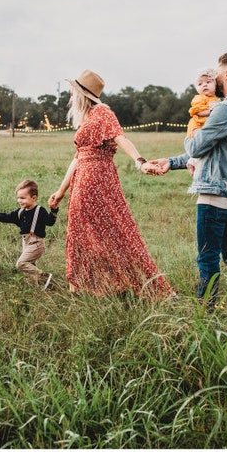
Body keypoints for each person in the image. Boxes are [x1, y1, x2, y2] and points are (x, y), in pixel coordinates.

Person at [146, 51, 227, 319]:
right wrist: (171, 162)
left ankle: (204, 317)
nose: (215, 77)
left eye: (218, 72)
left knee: (207, 259)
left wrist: (191, 133)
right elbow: (213, 151)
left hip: (214, 198)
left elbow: (196, 145)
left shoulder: (225, 109)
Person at [47, 70, 176, 298]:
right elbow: (78, 157)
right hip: (83, 179)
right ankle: (88, 286)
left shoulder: (103, 112)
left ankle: (123, 284)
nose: (70, 95)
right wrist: (61, 190)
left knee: (113, 231)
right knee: (81, 232)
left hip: (97, 179)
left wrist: (140, 162)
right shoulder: (87, 118)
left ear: (82, 94)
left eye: (73, 91)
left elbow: (121, 137)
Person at [0, 179, 58, 289]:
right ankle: (35, 289)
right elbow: (6, 217)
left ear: (34, 198)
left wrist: (54, 210)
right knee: (30, 266)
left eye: (23, 198)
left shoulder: (39, 211)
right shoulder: (20, 212)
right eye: (18, 198)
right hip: (26, 242)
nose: (19, 200)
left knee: (21, 263)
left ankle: (44, 276)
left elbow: (50, 222)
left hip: (36, 243)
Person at [186, 68, 221, 137]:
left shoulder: (217, 99)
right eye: (200, 84)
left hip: (208, 125)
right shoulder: (199, 98)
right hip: (198, 125)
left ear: (215, 84)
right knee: (200, 137)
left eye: (208, 82)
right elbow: (198, 111)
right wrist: (209, 112)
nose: (204, 85)